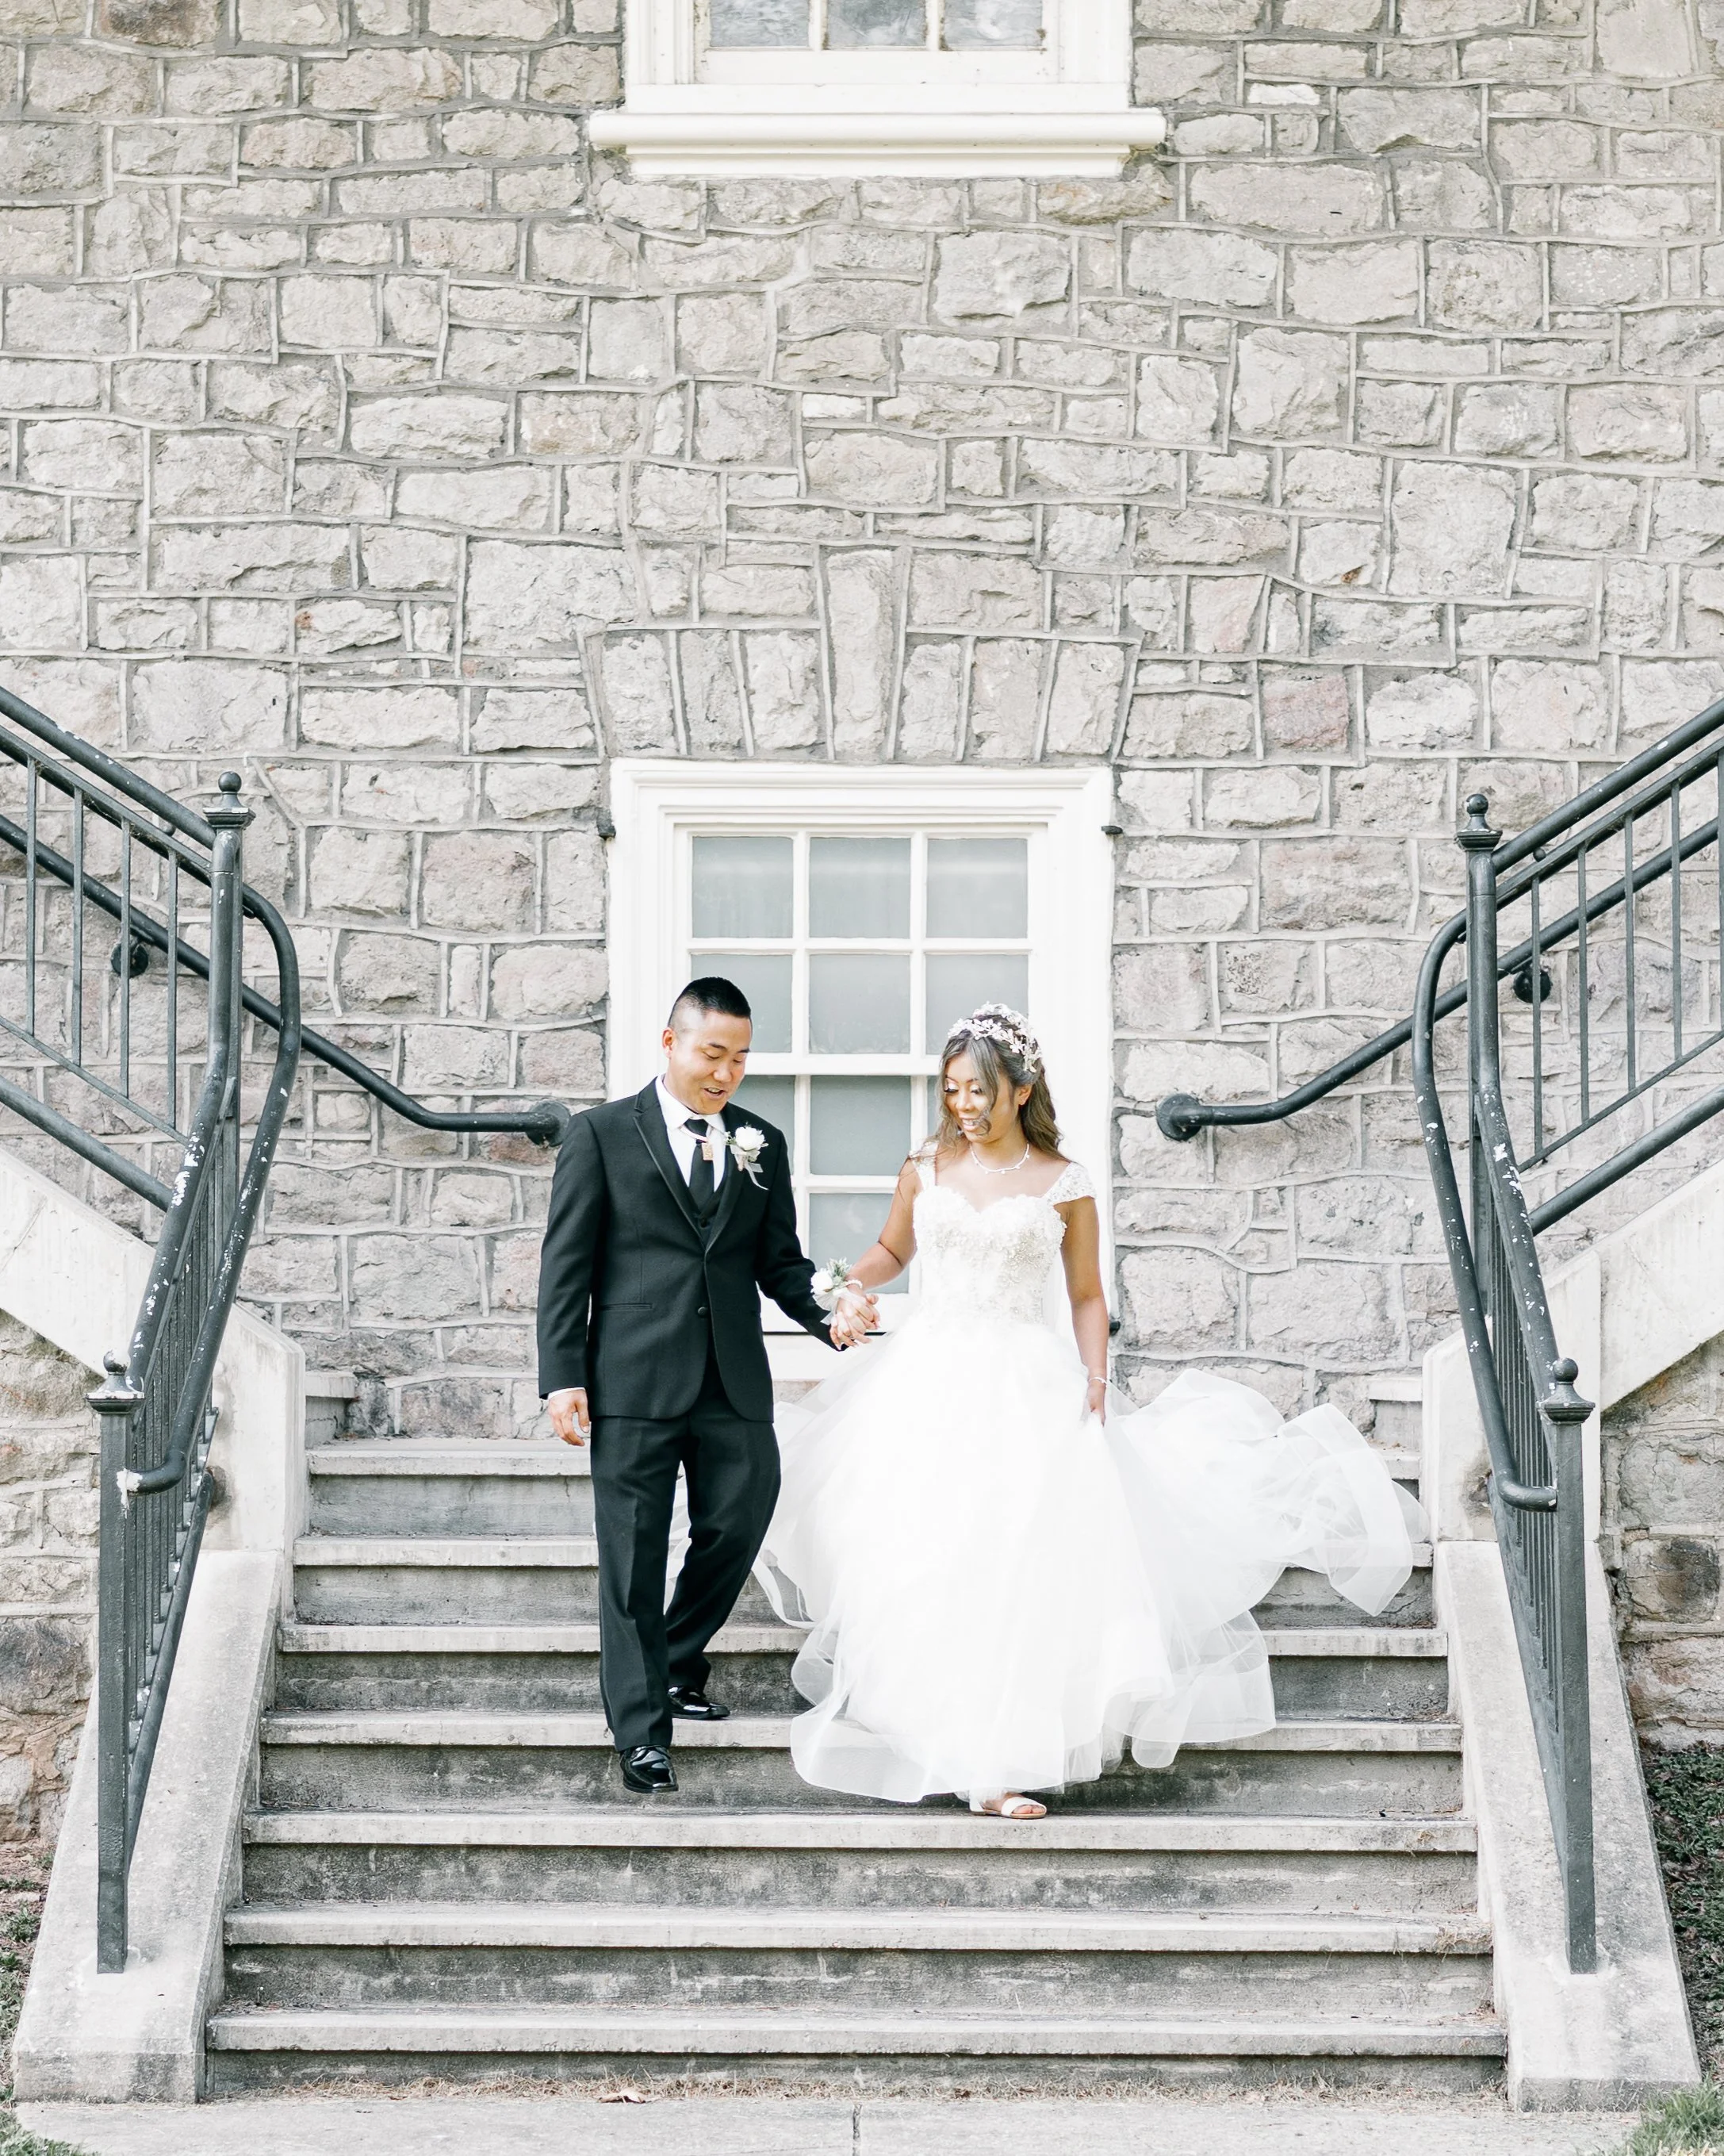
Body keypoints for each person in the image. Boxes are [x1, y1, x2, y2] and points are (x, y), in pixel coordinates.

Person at [757, 1003, 1420, 1820]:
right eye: (953, 1088)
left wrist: (1094, 1379)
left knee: (1015, 1559)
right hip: (925, 1380)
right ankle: (937, 1735)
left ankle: (999, 1764)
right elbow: (895, 1251)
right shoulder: (923, 1166)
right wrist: (850, 1282)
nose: (963, 1104)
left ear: (1022, 1088)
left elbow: (1083, 1294)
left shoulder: (1063, 1183)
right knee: (926, 1550)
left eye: (980, 1090)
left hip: (1022, 1380)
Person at [537, 976, 876, 1796]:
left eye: (739, 1057)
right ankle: (642, 1732)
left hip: (730, 1379)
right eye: (712, 1053)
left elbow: (779, 1262)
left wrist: (828, 1307)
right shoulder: (600, 1136)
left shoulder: (760, 1141)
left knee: (739, 1518)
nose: (726, 1073)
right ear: (671, 1043)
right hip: (630, 1381)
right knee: (631, 1560)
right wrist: (561, 1378)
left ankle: (677, 1659)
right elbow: (565, 1266)